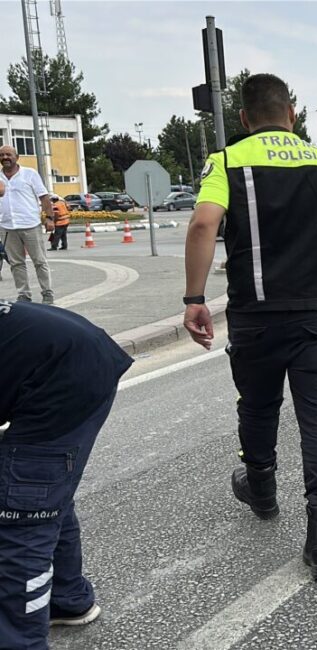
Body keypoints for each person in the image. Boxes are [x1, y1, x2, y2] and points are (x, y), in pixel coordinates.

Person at [182, 73, 317, 581]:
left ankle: (262, 490)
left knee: (259, 405)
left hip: (256, 314)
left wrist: (194, 298)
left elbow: (204, 223)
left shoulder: (228, 160)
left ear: (245, 118)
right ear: (293, 113)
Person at [0, 299, 133, 648]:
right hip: (75, 354)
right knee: (41, 489)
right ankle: (66, 597)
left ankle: (19, 642)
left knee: (24, 510)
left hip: (63, 375)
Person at [0, 145, 54, 304]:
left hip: (30, 224)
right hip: (7, 227)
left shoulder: (30, 174)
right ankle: (24, 295)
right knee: (16, 263)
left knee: (40, 261)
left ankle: (47, 293)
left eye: (8, 154)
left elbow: (44, 197)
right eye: (2, 155)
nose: (5, 158)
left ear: (17, 157)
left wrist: (49, 218)